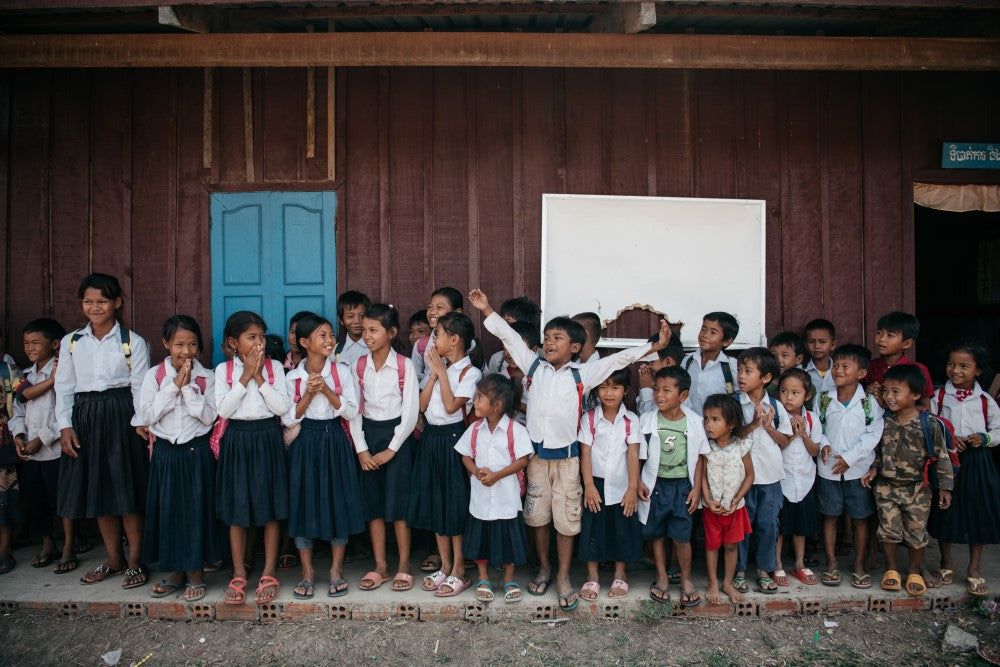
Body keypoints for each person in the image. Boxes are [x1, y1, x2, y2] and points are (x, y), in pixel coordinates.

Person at [469, 288, 670, 611]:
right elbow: (508, 336)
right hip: (535, 459)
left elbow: (620, 359)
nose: (549, 342)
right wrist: (488, 308)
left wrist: (654, 346)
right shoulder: (533, 366)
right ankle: (545, 567)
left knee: (566, 519)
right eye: (547, 337)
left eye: (558, 338)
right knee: (537, 517)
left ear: (575, 347)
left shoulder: (584, 374)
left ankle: (563, 574)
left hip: (567, 460)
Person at [55, 273, 151, 589]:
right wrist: (65, 426)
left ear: (117, 303)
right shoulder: (72, 342)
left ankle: (135, 561)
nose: (95, 307)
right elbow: (64, 387)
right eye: (89, 301)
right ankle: (114, 559)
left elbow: (139, 387)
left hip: (122, 414)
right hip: (85, 417)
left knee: (127, 489)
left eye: (102, 301)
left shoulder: (132, 342)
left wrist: (141, 422)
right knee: (98, 490)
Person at [283, 313, 364, 600]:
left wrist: (327, 390)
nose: (330, 340)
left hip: (334, 439)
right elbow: (288, 418)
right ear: (304, 342)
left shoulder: (341, 372)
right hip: (305, 441)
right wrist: (307, 394)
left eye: (331, 335)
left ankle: (336, 569)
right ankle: (307, 571)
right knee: (303, 502)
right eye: (322, 336)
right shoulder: (292, 378)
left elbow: (353, 410)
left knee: (337, 501)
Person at [139, 315, 219, 602]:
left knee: (195, 513)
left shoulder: (206, 377)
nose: (186, 352)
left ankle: (196, 573)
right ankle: (175, 572)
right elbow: (147, 416)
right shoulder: (154, 376)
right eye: (179, 345)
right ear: (166, 344)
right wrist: (172, 386)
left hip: (195, 452)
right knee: (169, 512)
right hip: (165, 453)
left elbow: (209, 417)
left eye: (193, 345)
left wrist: (187, 388)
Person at [214, 310, 290, 605]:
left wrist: (259, 375)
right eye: (251, 337)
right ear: (234, 342)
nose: (259, 343)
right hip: (237, 439)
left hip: (267, 437)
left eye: (261, 336)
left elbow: (281, 407)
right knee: (237, 507)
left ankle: (269, 570)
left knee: (269, 506)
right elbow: (224, 410)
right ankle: (238, 572)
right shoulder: (224, 372)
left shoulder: (274, 369)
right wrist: (245, 376)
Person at [862, 364, 952, 596]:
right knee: (888, 531)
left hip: (918, 489)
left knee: (916, 532)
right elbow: (880, 453)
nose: (888, 397)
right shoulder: (885, 421)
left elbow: (941, 457)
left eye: (895, 392)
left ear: (915, 395)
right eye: (886, 391)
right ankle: (891, 570)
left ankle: (913, 571)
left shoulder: (928, 424)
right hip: (886, 487)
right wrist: (874, 469)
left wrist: (945, 487)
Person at [348, 304, 420, 592]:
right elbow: (354, 410)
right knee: (374, 506)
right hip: (368, 436)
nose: (367, 336)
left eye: (373, 330)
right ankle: (380, 565)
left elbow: (410, 411)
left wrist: (392, 448)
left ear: (390, 333)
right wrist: (361, 449)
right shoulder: (358, 366)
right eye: (364, 330)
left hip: (397, 440)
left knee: (398, 506)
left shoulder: (404, 366)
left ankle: (404, 563)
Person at [411, 312, 481, 597]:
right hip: (431, 438)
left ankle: (460, 569)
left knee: (454, 504)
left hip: (454, 440)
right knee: (436, 501)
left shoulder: (469, 372)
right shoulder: (436, 368)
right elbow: (422, 405)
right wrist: (434, 374)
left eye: (437, 334)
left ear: (454, 340)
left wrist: (440, 372)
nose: (432, 340)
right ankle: (446, 565)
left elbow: (452, 407)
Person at [928, 340, 1000, 598]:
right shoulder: (938, 396)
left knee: (977, 510)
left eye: (964, 366)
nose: (955, 370)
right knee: (946, 509)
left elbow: (998, 429)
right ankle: (945, 561)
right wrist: (949, 436)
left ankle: (974, 566)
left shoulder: (985, 400)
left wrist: (985, 438)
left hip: (977, 461)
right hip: (948, 460)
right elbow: (931, 422)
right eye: (951, 364)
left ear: (978, 371)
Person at [457, 374, 532, 603]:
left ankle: (509, 579)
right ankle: (484, 578)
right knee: (482, 540)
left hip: (505, 499)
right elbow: (464, 455)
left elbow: (523, 460)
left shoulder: (515, 430)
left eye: (480, 398)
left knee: (508, 540)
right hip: (481, 498)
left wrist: (497, 475)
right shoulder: (474, 429)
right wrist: (475, 470)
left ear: (497, 405)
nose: (475, 402)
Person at [638, 366, 708, 607]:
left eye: (667, 390)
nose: (659, 395)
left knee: (681, 537)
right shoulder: (647, 420)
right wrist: (638, 481)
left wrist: (696, 489)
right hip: (655, 485)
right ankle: (662, 578)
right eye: (656, 389)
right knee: (656, 535)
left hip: (682, 487)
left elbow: (700, 458)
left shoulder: (695, 422)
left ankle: (686, 580)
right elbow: (638, 456)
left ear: (683, 396)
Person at [816, 344, 884, 589]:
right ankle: (831, 563)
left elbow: (873, 434)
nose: (838, 371)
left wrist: (850, 458)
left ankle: (858, 564)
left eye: (846, 366)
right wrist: (822, 443)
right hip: (829, 468)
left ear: (862, 374)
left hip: (857, 471)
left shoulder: (869, 404)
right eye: (836, 366)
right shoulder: (824, 399)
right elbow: (818, 427)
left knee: (859, 518)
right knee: (830, 516)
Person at [578, 369, 642, 602]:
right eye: (603, 387)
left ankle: (620, 573)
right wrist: (588, 485)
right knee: (593, 528)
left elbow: (633, 454)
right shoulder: (590, 418)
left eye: (615, 387)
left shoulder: (631, 420)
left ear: (625, 390)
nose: (609, 393)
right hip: (595, 482)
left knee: (621, 529)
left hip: (622, 483)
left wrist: (632, 488)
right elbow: (585, 452)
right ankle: (592, 575)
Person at [734, 347, 793, 594]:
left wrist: (768, 427)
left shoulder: (777, 407)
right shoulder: (735, 404)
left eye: (748, 371)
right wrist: (754, 424)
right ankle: (738, 569)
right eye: (739, 370)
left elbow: (786, 440)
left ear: (766, 378)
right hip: (740, 479)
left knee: (768, 524)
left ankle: (764, 568)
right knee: (741, 525)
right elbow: (730, 436)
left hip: (769, 477)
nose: (741, 376)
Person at [10, 319, 66, 573]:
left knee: (61, 498)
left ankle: (71, 543)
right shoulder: (25, 375)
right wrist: (19, 436)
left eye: (35, 343)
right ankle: (47, 542)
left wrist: (40, 439)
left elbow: (65, 413)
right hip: (30, 452)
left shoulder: (62, 373)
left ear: (54, 344)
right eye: (26, 343)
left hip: (54, 449)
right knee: (36, 499)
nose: (29, 348)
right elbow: (16, 409)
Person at [701, 394, 754, 604]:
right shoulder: (706, 448)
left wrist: (736, 500)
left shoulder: (741, 446)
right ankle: (713, 581)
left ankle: (727, 582)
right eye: (706, 419)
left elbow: (750, 475)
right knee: (712, 545)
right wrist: (707, 499)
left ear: (731, 424)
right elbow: (702, 476)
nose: (708, 424)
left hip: (735, 507)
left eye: (715, 419)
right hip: (711, 507)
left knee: (732, 546)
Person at [774, 368, 821, 585]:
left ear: (807, 395)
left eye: (795, 393)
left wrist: (802, 433)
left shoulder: (811, 419)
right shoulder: (776, 418)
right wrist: (792, 436)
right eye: (784, 392)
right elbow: (776, 448)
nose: (788, 397)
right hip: (781, 480)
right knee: (780, 527)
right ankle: (777, 564)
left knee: (800, 527)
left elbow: (814, 451)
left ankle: (799, 563)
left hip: (804, 480)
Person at [865, 311, 933, 410]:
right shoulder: (869, 367)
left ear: (907, 344)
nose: (882, 339)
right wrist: (868, 392)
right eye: (879, 333)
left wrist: (889, 403)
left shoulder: (919, 369)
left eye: (890, 335)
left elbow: (925, 408)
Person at [681, 312, 740, 414]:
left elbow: (740, 397)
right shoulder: (688, 361)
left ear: (726, 341)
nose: (705, 335)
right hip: (689, 424)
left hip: (717, 427)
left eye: (713, 332)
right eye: (703, 329)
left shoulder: (732, 367)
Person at [413, 287, 467, 386]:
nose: (432, 312)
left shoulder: (468, 343)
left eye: (439, 307)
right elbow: (415, 377)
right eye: (430, 307)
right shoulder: (421, 344)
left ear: (457, 312)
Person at [497, 321, 540, 426]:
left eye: (517, 349)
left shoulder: (540, 376)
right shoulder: (501, 378)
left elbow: (544, 413)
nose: (510, 353)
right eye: (506, 347)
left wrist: (518, 405)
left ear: (533, 350)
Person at [485, 296, 541, 374]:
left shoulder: (545, 360)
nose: (503, 328)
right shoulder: (497, 360)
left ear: (526, 324)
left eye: (508, 323)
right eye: (502, 322)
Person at [636, 332, 685, 415]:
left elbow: (647, 422)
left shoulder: (678, 395)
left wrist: (646, 389)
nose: (648, 366)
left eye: (651, 361)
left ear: (668, 362)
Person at [803, 319, 838, 406]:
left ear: (833, 345)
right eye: (811, 342)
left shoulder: (840, 371)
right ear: (806, 345)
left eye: (822, 342)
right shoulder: (800, 372)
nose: (817, 346)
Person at [333, 290, 371, 366]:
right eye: (350, 316)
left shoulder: (375, 347)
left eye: (362, 316)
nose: (357, 321)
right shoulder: (336, 350)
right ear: (341, 320)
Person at [768, 331, 806, 399]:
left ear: (798, 359)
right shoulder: (764, 384)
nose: (778, 360)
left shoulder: (805, 384)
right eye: (774, 355)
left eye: (784, 355)